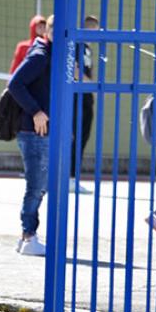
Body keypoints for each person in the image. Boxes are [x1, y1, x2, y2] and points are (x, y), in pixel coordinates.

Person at [8, 14, 53, 257]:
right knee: (36, 186)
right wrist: (36, 111)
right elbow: (15, 84)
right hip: (34, 132)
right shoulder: (39, 56)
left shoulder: (55, 55)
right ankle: (28, 235)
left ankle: (27, 235)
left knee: (41, 186)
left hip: (44, 132)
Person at [70, 15, 98, 194]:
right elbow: (73, 69)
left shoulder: (88, 49)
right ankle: (70, 177)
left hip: (86, 97)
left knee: (83, 136)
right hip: (77, 96)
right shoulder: (77, 46)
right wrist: (90, 84)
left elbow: (88, 71)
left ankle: (73, 176)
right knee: (76, 136)